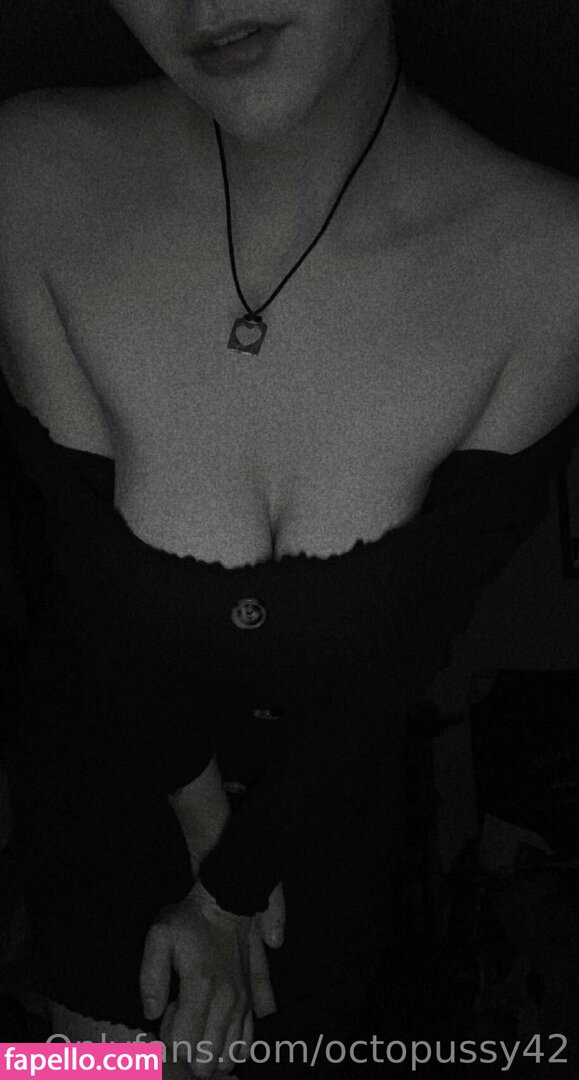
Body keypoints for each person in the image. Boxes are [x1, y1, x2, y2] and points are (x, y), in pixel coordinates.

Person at [0, 1, 579, 1076]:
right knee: (64, 1071)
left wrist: (232, 893)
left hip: (318, 861)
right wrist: (209, 870)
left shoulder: (551, 260)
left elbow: (409, 647)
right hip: (93, 841)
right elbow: (89, 572)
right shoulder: (31, 174)